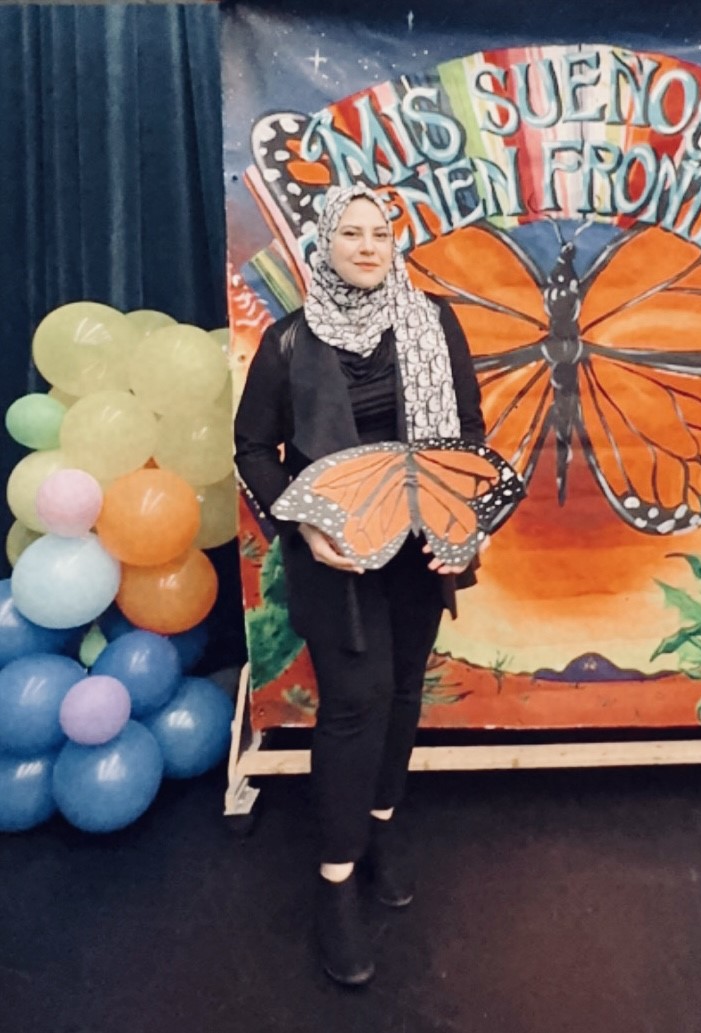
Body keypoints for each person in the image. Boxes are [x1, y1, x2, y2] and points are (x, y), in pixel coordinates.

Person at [234, 183, 485, 986]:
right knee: (355, 699)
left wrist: (458, 519)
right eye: (352, 232)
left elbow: (469, 432)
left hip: (418, 546)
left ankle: (381, 825)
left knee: (405, 686)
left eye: (381, 232)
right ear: (325, 244)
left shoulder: (434, 323)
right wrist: (301, 522)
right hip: (332, 553)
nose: (369, 245)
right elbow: (252, 450)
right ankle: (336, 881)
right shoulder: (287, 342)